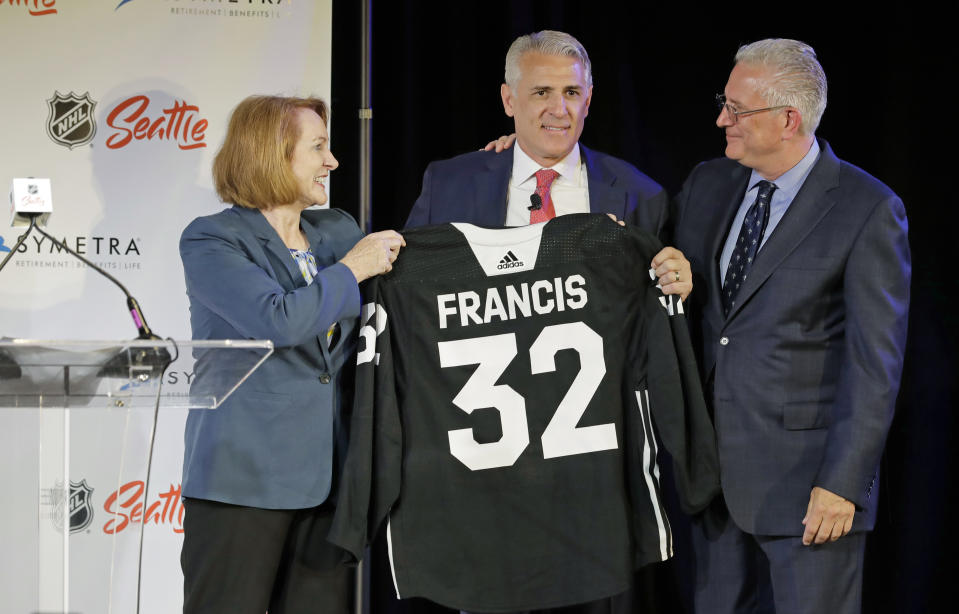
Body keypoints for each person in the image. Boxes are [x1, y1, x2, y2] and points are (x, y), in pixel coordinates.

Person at [671, 39, 910, 613]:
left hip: (810, 493)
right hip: (717, 487)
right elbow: (633, 235)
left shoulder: (866, 208)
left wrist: (843, 484)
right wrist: (517, 156)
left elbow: (873, 365)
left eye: (737, 109)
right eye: (724, 103)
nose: (721, 119)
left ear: (788, 119)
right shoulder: (709, 183)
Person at [178, 95, 404, 614]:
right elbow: (278, 321)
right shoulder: (213, 239)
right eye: (319, 147)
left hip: (328, 484)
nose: (333, 162)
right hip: (241, 483)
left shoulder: (339, 230)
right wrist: (352, 270)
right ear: (272, 154)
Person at [406, 29, 691, 299]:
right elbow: (408, 290)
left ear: (588, 100)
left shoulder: (643, 197)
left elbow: (661, 314)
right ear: (509, 100)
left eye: (571, 93)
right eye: (542, 92)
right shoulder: (448, 185)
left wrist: (678, 286)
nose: (558, 110)